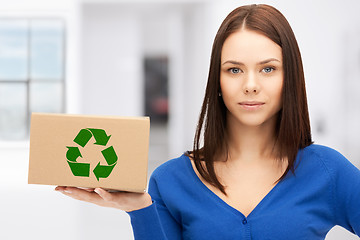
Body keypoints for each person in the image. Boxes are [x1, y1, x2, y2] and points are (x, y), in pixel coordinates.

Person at [55, 4, 360, 239]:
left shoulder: (328, 171)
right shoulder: (171, 180)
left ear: (289, 77)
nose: (251, 84)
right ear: (217, 80)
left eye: (268, 69)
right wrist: (139, 209)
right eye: (234, 70)